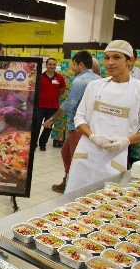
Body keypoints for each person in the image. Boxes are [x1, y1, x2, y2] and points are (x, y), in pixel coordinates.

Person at [65, 41, 140, 193]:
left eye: (116, 57)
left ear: (130, 61)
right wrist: (92, 136)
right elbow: (80, 117)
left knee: (105, 200)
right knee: (74, 196)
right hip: (86, 152)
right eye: (107, 58)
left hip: (114, 156)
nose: (110, 63)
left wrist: (127, 140)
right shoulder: (95, 86)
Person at [43, 51, 100, 192]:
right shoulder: (98, 79)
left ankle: (76, 188)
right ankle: (67, 181)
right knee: (66, 153)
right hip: (90, 125)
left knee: (76, 158)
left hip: (78, 126)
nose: (72, 68)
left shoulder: (79, 81)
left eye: (74, 64)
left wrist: (52, 119)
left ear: (81, 64)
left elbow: (69, 104)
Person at [35, 58, 65, 151]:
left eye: (54, 65)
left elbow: (62, 90)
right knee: (36, 126)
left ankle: (42, 144)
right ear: (46, 65)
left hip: (53, 107)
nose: (52, 66)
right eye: (50, 64)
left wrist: (54, 96)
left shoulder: (59, 77)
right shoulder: (39, 76)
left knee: (48, 127)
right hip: (40, 106)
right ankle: (33, 143)